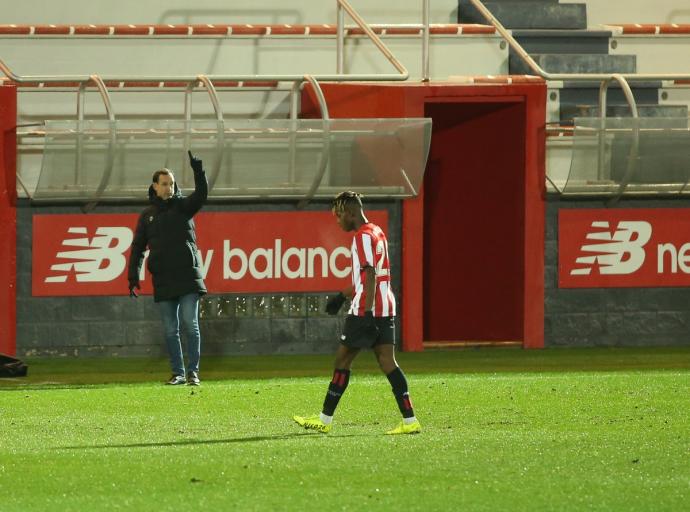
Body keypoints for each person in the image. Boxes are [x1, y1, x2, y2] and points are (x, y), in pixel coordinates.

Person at [293, 191, 421, 435]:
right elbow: (369, 276)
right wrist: (343, 296)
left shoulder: (362, 237)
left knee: (342, 361)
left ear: (351, 213)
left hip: (367, 309)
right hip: (386, 305)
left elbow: (370, 274)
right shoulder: (377, 231)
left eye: (339, 215)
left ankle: (324, 420)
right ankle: (410, 420)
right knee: (387, 362)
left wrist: (368, 313)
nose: (337, 221)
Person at [128, 151, 208, 386]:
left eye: (171, 184)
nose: (169, 188)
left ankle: (193, 372)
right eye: (164, 184)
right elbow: (137, 248)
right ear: (155, 186)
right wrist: (133, 277)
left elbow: (202, 194)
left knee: (190, 326)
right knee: (170, 330)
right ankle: (178, 373)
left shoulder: (183, 207)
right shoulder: (147, 216)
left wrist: (198, 170)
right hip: (163, 280)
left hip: (187, 277)